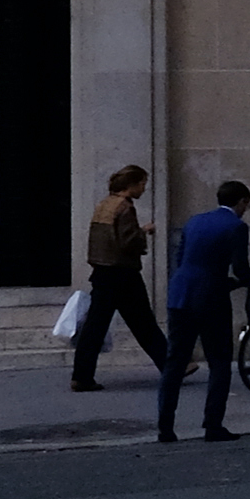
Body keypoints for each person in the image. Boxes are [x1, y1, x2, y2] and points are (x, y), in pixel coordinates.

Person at [158, 178, 250, 442]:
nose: (246, 209)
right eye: (247, 204)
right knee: (220, 361)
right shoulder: (236, 226)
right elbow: (240, 267)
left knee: (174, 362)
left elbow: (181, 259)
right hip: (211, 297)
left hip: (181, 293)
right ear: (241, 201)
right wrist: (248, 282)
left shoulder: (195, 221)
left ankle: (165, 426)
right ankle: (213, 424)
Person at [69, 163, 168, 392]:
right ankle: (172, 365)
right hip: (123, 273)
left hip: (103, 272)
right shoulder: (125, 207)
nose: (144, 189)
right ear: (131, 185)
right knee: (143, 322)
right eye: (142, 184)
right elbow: (128, 241)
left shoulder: (104, 205)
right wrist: (144, 233)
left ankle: (82, 375)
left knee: (95, 326)